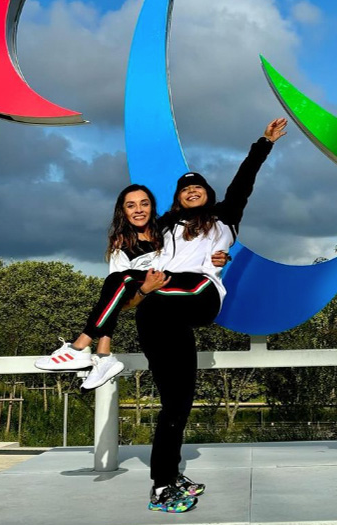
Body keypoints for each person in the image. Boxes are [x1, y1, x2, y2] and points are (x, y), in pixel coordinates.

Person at [136, 117, 287, 513]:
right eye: (185, 189)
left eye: (197, 187)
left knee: (184, 285)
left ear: (208, 194)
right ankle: (165, 480)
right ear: (178, 197)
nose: (192, 191)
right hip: (160, 314)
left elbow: (244, 180)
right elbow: (131, 234)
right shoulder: (163, 226)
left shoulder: (224, 218)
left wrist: (264, 143)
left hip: (199, 295)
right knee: (177, 402)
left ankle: (163, 481)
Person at [33, 185, 228, 390]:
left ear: (152, 207)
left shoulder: (170, 231)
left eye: (144, 204)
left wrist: (223, 256)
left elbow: (204, 241)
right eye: (131, 205)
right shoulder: (123, 248)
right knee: (116, 282)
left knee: (120, 281)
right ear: (123, 211)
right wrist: (145, 289)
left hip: (182, 302)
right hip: (152, 311)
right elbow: (118, 302)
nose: (138, 210)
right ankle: (100, 354)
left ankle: (85, 347)